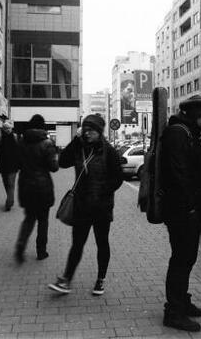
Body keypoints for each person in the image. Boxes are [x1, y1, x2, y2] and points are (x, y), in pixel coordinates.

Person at [159, 95, 201, 332]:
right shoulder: (177, 133)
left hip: (188, 208)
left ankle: (182, 303)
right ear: (195, 115)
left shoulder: (191, 134)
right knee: (181, 259)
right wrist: (189, 206)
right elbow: (178, 174)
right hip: (181, 210)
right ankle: (173, 312)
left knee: (186, 258)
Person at [48, 114, 123, 296]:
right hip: (81, 206)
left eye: (91, 130)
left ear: (99, 132)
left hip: (102, 207)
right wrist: (75, 139)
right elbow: (62, 162)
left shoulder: (109, 151)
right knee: (77, 244)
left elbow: (118, 178)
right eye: (85, 130)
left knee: (102, 243)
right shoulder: (79, 148)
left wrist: (102, 191)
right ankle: (66, 279)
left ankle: (100, 279)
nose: (87, 133)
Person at [15, 114, 59, 263]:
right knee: (43, 220)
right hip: (42, 187)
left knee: (29, 218)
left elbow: (17, 164)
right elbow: (53, 167)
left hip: (25, 185)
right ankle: (41, 251)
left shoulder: (21, 142)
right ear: (43, 126)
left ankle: (21, 244)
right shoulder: (47, 143)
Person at [0, 121, 20, 211]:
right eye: (6, 128)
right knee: (6, 183)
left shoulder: (16, 137)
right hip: (3, 165)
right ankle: (10, 198)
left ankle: (9, 202)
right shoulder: (0, 138)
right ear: (3, 129)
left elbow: (21, 150)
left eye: (9, 128)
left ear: (11, 129)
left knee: (10, 183)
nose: (8, 130)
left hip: (13, 165)